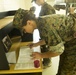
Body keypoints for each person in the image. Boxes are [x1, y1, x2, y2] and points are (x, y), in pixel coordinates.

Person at [31, 0, 56, 68]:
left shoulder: (48, 8)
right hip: (45, 34)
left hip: (48, 33)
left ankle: (47, 63)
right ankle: (46, 61)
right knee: (44, 47)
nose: (35, 3)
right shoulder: (43, 7)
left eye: (35, 2)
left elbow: (50, 23)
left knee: (47, 47)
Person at [56, 6, 76, 75]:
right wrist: (71, 13)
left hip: (73, 51)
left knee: (68, 70)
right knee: (61, 66)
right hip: (67, 46)